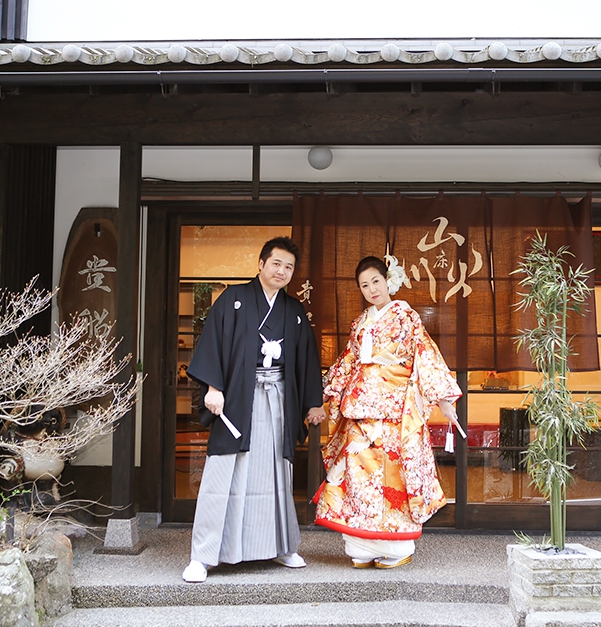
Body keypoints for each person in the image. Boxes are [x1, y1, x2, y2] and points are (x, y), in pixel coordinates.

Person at [182, 236, 325, 583]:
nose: (282, 271)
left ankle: (282, 547)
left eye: (289, 267)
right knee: (223, 475)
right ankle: (203, 556)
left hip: (277, 401)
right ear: (261, 264)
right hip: (237, 400)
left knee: (276, 475)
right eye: (276, 263)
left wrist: (313, 402)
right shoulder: (232, 300)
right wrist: (213, 388)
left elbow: (306, 358)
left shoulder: (292, 312)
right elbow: (213, 343)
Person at [313, 255, 463, 569]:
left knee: (392, 479)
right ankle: (361, 545)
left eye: (376, 282)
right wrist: (325, 395)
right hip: (359, 410)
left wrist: (444, 397)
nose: (371, 289)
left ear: (388, 280)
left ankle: (397, 545)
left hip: (394, 411)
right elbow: (347, 363)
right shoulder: (359, 323)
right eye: (364, 285)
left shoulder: (405, 316)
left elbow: (425, 355)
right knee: (358, 478)